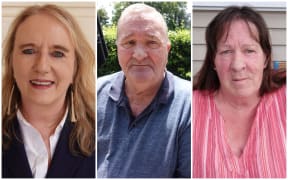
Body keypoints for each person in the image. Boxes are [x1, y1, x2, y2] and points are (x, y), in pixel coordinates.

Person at [97, 3, 191, 178]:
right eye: (129, 42)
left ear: (167, 49)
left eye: (152, 42)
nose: (139, 54)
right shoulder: (93, 94)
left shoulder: (189, 106)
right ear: (117, 48)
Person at [2, 4, 95, 178]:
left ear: (76, 68)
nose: (42, 67)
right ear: (11, 63)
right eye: (29, 51)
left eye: (58, 53)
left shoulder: (102, 136)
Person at [193, 6, 286, 178]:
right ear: (213, 61)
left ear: (265, 58)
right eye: (226, 51)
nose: (237, 65)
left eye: (249, 50)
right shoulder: (190, 108)